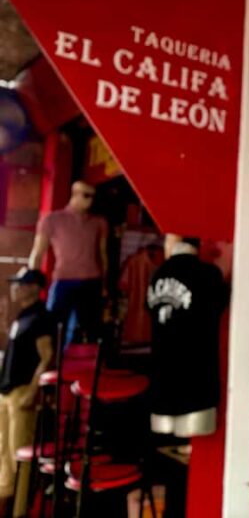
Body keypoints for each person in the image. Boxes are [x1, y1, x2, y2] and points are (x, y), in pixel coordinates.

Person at [147, 235, 227, 437]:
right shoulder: (208, 274)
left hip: (162, 383)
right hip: (196, 384)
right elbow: (220, 304)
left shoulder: (157, 274)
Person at [0, 269, 53, 516]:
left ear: (34, 288)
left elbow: (47, 356)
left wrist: (32, 392)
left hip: (21, 392)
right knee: (4, 453)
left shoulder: (41, 317)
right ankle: (5, 501)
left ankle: (20, 510)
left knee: (18, 455)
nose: (16, 288)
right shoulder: (22, 316)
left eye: (21, 284)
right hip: (7, 392)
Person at [28, 180, 108, 344]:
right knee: (53, 327)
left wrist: (104, 285)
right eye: (86, 195)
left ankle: (84, 366)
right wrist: (31, 282)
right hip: (64, 280)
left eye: (93, 196)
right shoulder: (52, 219)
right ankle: (51, 366)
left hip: (91, 281)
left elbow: (103, 254)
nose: (90, 200)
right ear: (74, 194)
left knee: (90, 331)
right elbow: (37, 252)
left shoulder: (99, 222)